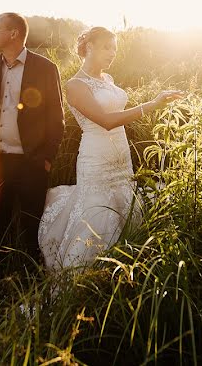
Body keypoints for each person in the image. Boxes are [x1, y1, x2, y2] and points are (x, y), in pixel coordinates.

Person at [37, 27, 184, 271]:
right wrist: (152, 104)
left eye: (115, 48)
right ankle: (90, 270)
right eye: (107, 47)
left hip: (121, 156)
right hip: (96, 158)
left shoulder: (108, 80)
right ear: (90, 47)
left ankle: (125, 263)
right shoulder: (75, 86)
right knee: (98, 211)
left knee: (124, 203)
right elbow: (106, 121)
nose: (112, 53)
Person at [0, 12, 65, 265]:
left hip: (31, 164)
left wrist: (45, 159)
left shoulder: (46, 68)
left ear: (13, 33)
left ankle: (30, 281)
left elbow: (57, 118)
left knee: (30, 228)